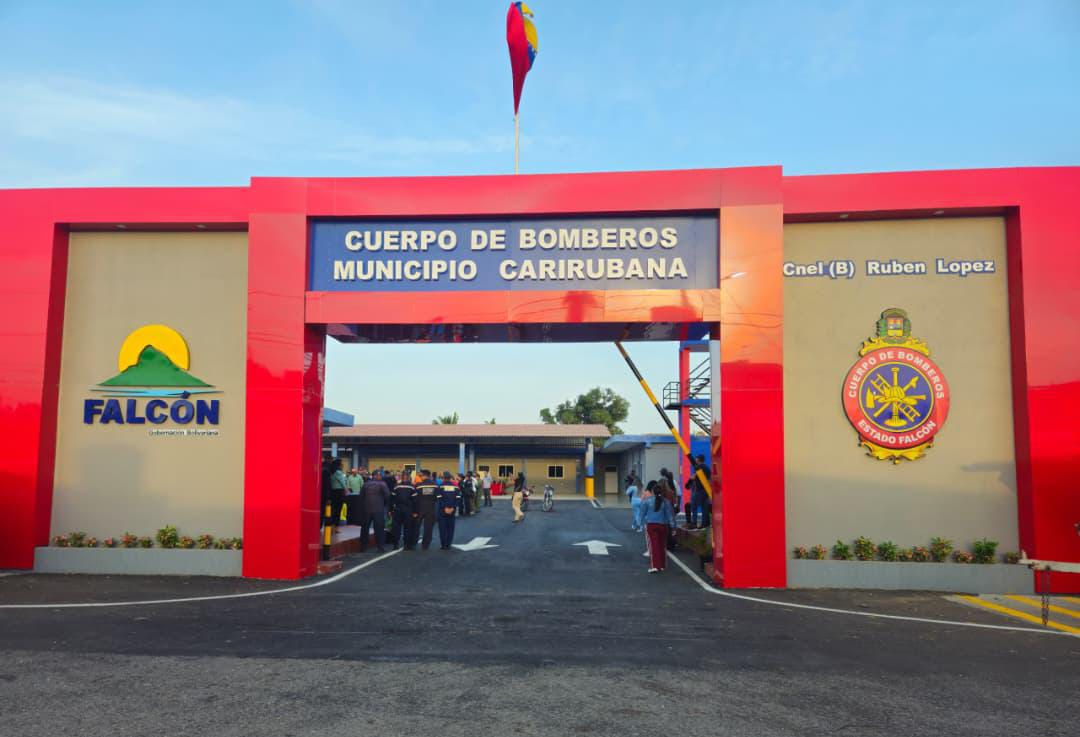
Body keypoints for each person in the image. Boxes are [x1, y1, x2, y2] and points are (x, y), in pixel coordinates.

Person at [641, 479, 676, 572]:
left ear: (652, 491)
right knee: (662, 545)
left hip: (651, 525)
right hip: (663, 525)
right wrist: (673, 528)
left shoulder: (648, 501)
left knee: (654, 546)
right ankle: (662, 566)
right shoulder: (666, 502)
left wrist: (640, 524)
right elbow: (670, 515)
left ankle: (655, 566)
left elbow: (642, 514)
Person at [358, 471, 390, 553]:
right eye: (380, 475)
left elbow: (361, 497)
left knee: (365, 528)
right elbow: (387, 496)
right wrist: (385, 505)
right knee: (379, 529)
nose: (381, 477)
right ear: (377, 476)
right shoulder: (382, 484)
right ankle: (380, 547)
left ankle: (363, 547)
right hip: (378, 510)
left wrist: (363, 508)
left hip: (367, 509)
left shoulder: (366, 484)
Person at [389, 473, 418, 550]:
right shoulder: (412, 487)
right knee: (407, 527)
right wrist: (415, 511)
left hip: (397, 509)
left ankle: (395, 544)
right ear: (408, 478)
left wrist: (390, 510)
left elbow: (391, 499)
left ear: (402, 478)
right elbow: (415, 501)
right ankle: (406, 545)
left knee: (396, 527)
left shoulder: (396, 486)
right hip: (408, 509)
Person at [414, 470, 440, 550]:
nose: (420, 477)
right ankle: (425, 545)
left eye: (421, 476)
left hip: (420, 508)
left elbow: (415, 498)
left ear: (425, 476)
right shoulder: (435, 485)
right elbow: (438, 498)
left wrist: (414, 510)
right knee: (428, 528)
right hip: (431, 508)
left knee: (416, 526)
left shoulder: (418, 485)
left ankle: (413, 542)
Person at [436, 472, 461, 550]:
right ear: (450, 478)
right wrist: (453, 507)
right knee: (450, 528)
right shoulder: (456, 487)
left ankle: (443, 545)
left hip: (442, 510)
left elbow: (439, 499)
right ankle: (448, 544)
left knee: (442, 528)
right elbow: (458, 498)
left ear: (443, 478)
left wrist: (445, 508)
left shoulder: (440, 487)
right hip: (452, 511)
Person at [686, 454, 709, 529]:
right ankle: (704, 523)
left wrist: (691, 480)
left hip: (699, 490)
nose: (695, 460)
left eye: (696, 459)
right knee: (704, 507)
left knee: (694, 506)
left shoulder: (700, 467)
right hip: (706, 490)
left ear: (698, 460)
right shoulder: (707, 468)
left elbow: (693, 477)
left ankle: (694, 523)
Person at [328, 459, 348, 530]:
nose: (342, 465)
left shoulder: (331, 472)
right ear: (339, 465)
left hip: (333, 492)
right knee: (338, 509)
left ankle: (331, 526)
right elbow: (342, 483)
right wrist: (346, 490)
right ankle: (336, 527)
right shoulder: (338, 473)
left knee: (333, 509)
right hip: (339, 492)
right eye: (341, 464)